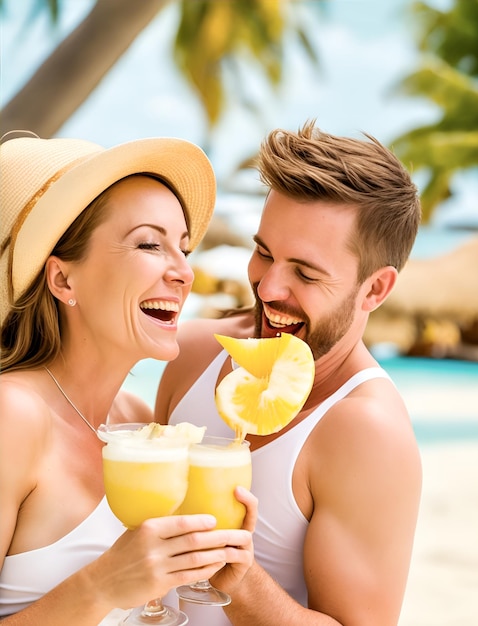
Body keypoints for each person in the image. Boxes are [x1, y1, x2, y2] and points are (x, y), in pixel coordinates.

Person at [155, 119, 423, 626]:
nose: (268, 286)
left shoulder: (364, 431)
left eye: (305, 272)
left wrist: (241, 578)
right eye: (263, 253)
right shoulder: (192, 353)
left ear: (374, 290)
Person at [0, 131, 257, 625]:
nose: (184, 272)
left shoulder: (139, 425)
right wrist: (102, 586)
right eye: (148, 243)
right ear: (63, 280)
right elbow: (111, 589)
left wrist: (211, 571)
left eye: (182, 248)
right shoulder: (14, 416)